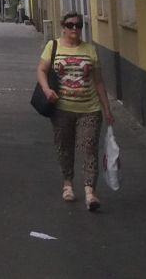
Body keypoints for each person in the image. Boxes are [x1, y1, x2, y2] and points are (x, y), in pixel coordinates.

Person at [37, 11, 115, 210]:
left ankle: (90, 192)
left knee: (89, 148)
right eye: (70, 25)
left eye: (78, 25)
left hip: (89, 108)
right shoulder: (52, 46)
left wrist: (106, 109)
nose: (74, 29)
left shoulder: (90, 50)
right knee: (64, 148)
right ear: (63, 26)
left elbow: (98, 82)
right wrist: (47, 90)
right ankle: (68, 184)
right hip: (61, 109)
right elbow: (42, 70)